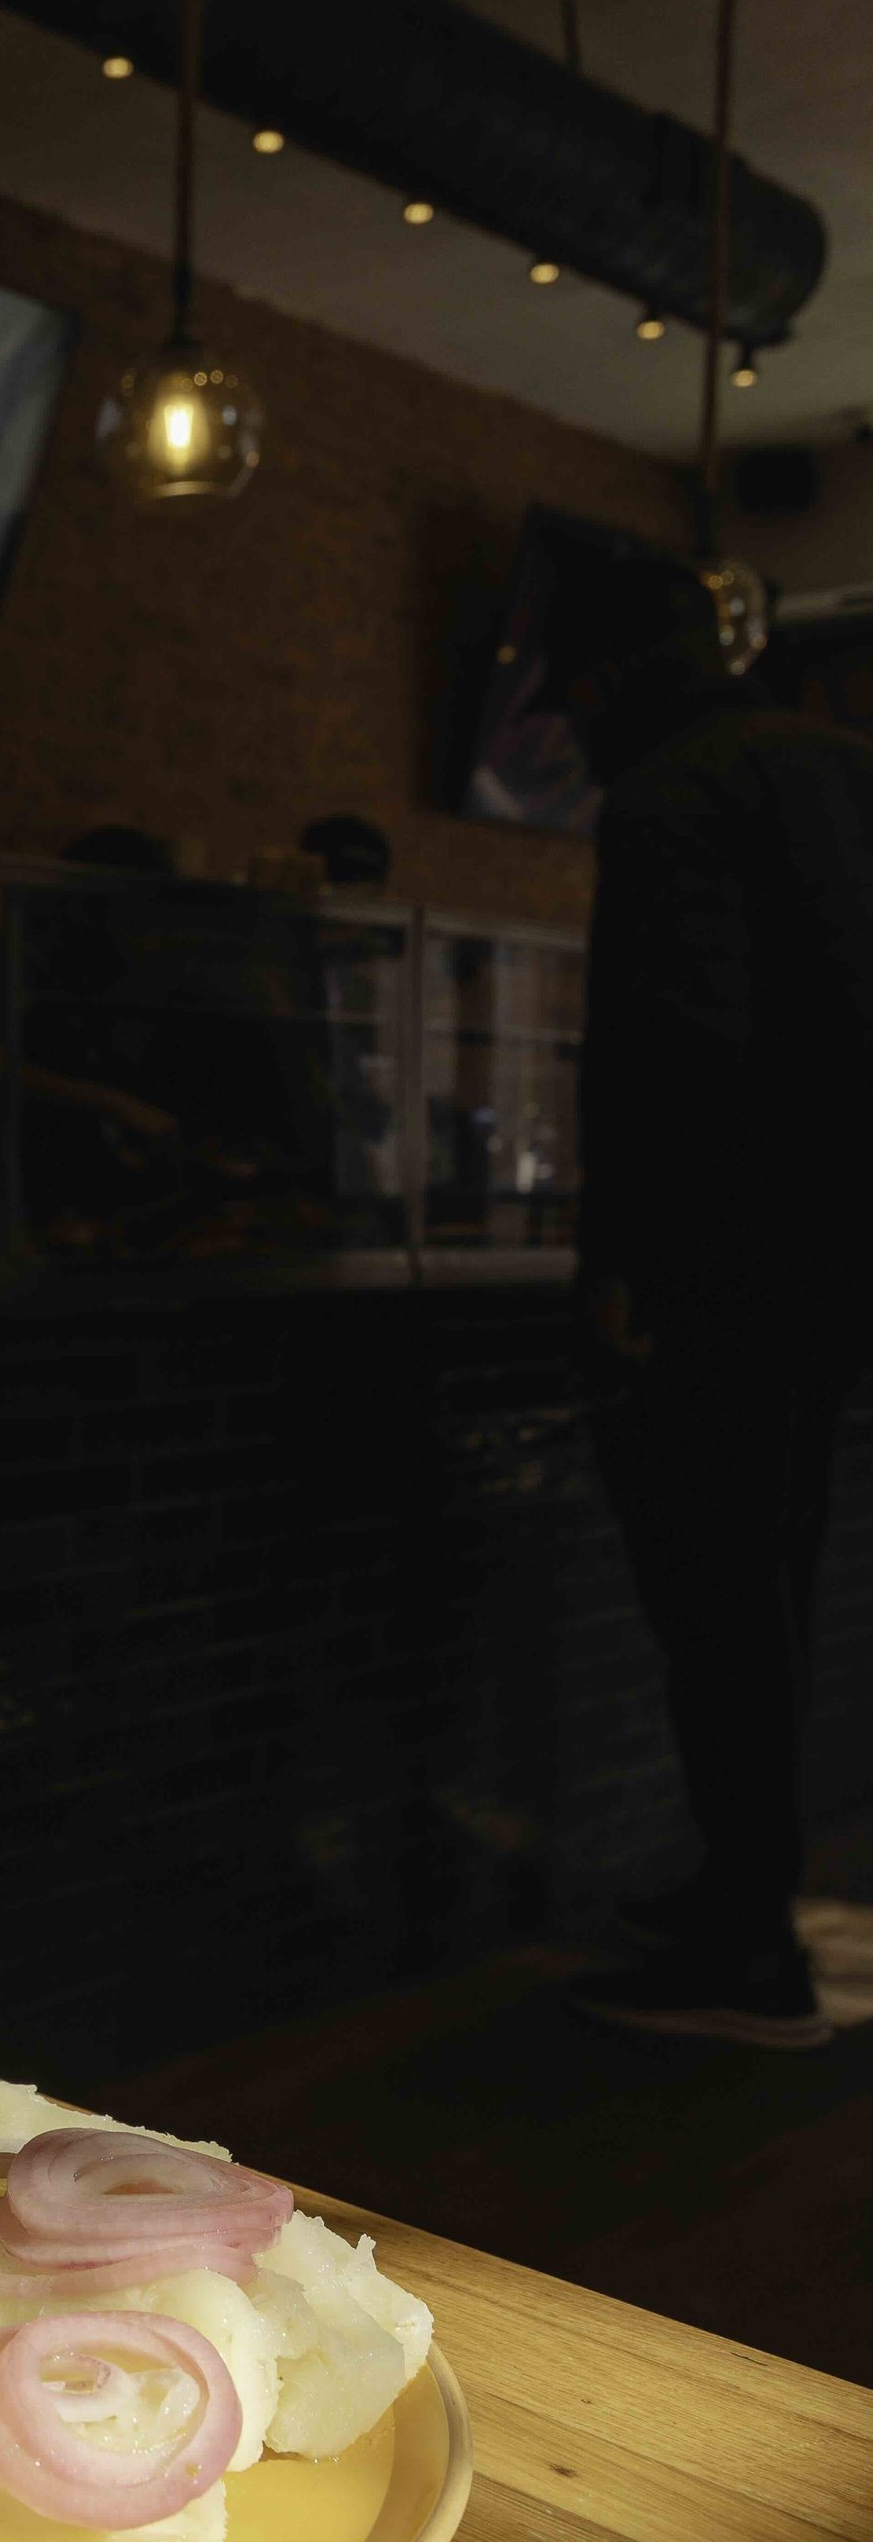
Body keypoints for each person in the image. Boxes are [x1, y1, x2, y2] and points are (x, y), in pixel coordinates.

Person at [567, 551, 873, 2049]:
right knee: (777, 1590)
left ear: (610, 679)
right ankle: (737, 1891)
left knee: (717, 1604)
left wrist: (624, 1271)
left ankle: (745, 1943)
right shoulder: (836, 770)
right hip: (840, 1263)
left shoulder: (670, 793)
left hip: (725, 1271)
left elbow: (672, 1056)